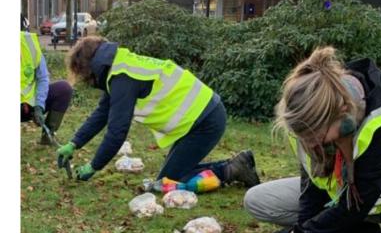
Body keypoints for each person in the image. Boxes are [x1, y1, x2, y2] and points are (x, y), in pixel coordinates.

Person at [243, 46, 381, 233]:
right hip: (341, 196)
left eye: (317, 136)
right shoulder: (304, 130)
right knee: (257, 200)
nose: (310, 144)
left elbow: (356, 203)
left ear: (342, 115)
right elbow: (311, 186)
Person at [56, 36, 260, 189]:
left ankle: (231, 170)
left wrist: (94, 166)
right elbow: (102, 113)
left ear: (90, 68)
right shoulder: (121, 67)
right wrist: (74, 143)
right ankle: (237, 164)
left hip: (206, 121)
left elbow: (117, 131)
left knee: (168, 182)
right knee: (172, 175)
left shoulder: (122, 78)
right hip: (200, 117)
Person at [20, 22, 73, 143]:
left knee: (63, 89)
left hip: (29, 105)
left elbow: (42, 78)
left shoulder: (29, 44)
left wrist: (39, 105)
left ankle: (48, 136)